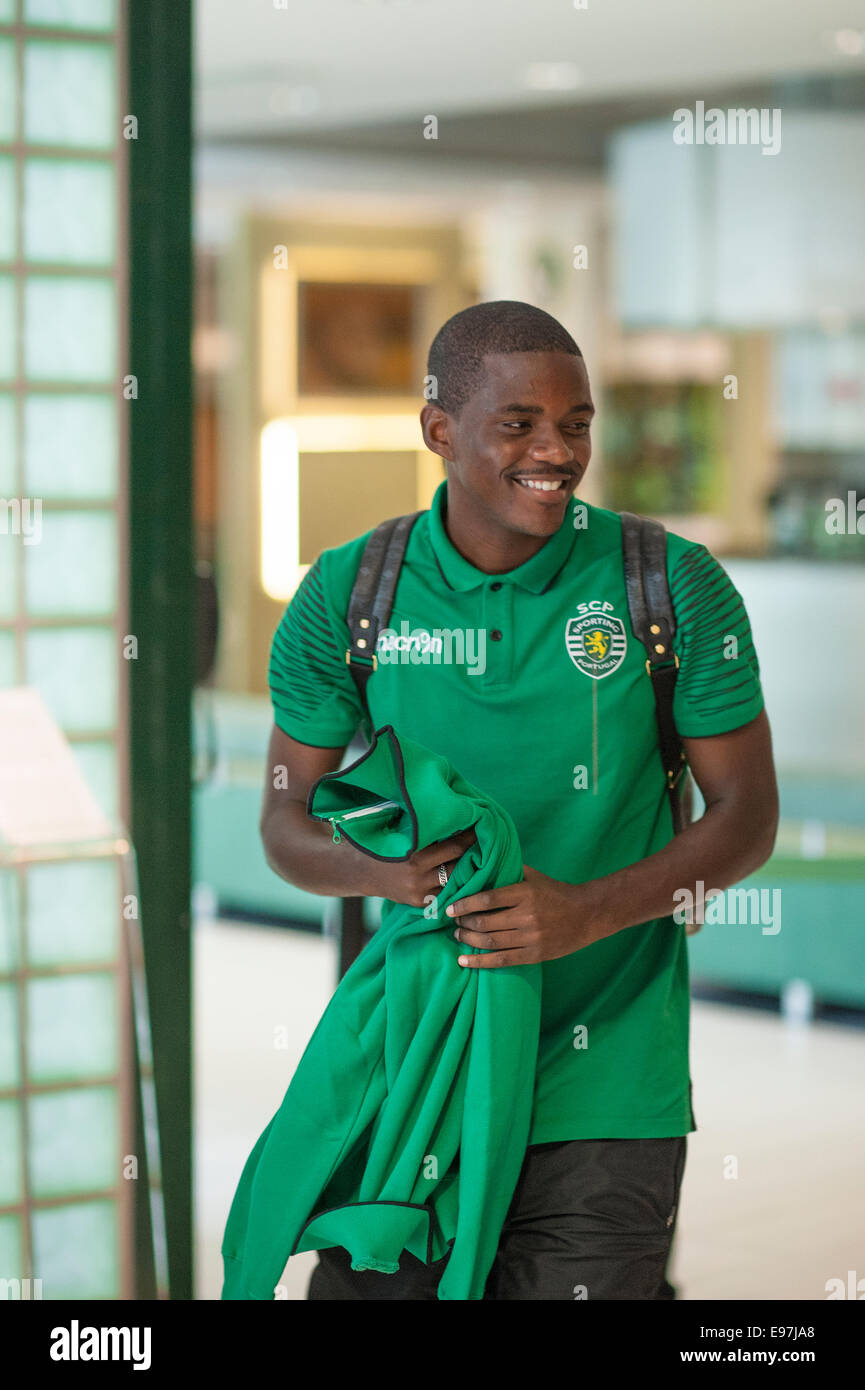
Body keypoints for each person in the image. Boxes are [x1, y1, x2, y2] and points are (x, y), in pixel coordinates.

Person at [259, 300, 779, 1300]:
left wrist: (585, 910)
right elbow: (286, 825)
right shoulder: (348, 594)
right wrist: (384, 872)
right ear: (439, 430)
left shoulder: (668, 585)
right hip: (417, 1057)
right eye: (519, 424)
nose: (558, 449)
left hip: (607, 1074)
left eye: (576, 423)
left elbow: (746, 815)